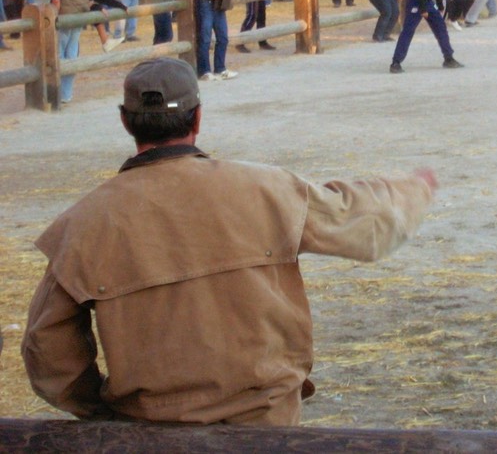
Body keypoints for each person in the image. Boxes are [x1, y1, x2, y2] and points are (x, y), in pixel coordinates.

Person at [22, 56, 437, 424]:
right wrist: (414, 189)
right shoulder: (264, 188)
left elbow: (47, 347)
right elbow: (361, 223)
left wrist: (99, 407)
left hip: (149, 430)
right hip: (264, 425)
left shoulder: (85, 223)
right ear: (197, 118)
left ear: (126, 121)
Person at [46, 0, 94, 103]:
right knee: (72, 53)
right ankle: (66, 93)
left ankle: (56, 93)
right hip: (80, 17)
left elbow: (56, 0)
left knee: (59, 54)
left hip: (64, 17)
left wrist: (53, 19)